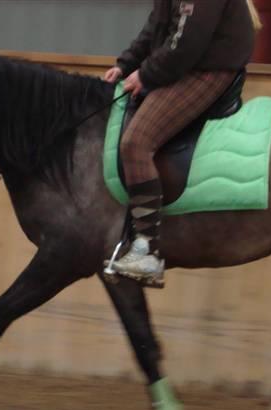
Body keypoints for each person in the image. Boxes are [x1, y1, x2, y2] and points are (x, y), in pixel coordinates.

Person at [103, 0, 260, 286]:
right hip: (189, 63)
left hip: (208, 68)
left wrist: (146, 73)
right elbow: (156, 27)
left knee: (136, 143)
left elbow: (187, 42)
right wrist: (125, 64)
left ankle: (146, 251)